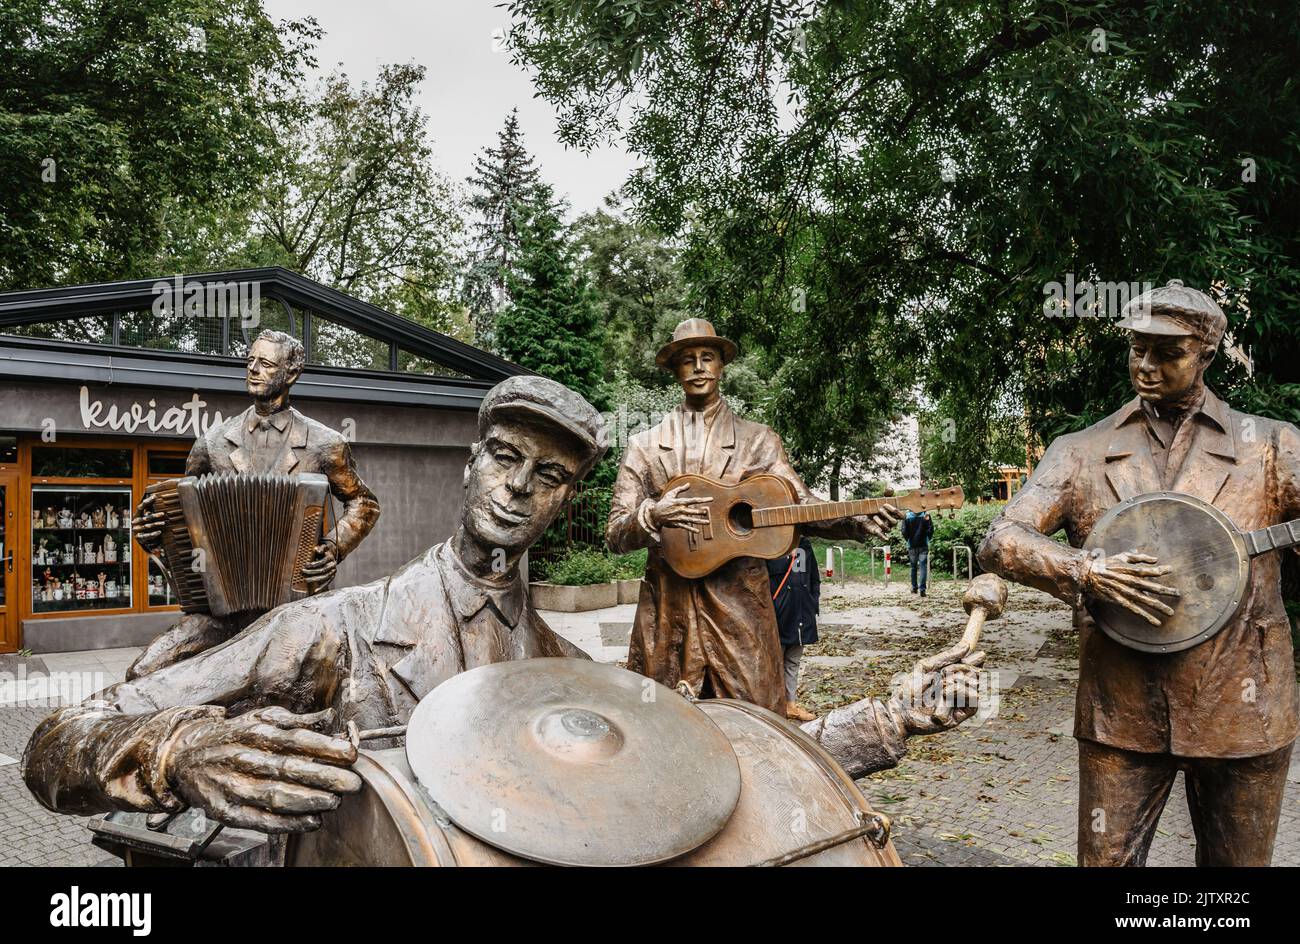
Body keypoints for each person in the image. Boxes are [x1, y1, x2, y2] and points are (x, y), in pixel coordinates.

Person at [24, 375, 984, 835]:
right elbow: (59, 743)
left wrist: (886, 715)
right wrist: (178, 747)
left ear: (569, 500)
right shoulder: (339, 628)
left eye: (552, 475)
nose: (521, 488)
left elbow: (712, 753)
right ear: (472, 461)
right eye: (507, 458)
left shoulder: (568, 663)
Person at [977, 280, 1300, 867]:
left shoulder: (1272, 447)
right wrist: (1083, 570)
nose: (1145, 366)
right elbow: (1001, 540)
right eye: (1136, 348)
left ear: (1204, 355)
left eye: (1167, 352)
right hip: (1120, 708)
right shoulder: (1080, 450)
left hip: (1243, 706)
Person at [607, 318, 900, 713]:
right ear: (674, 369)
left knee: (759, 721)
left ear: (721, 366)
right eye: (687, 359)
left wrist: (853, 519)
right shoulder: (643, 446)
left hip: (740, 611)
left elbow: (798, 505)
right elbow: (615, 533)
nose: (697, 367)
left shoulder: (756, 439)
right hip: (667, 613)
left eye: (707, 357)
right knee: (664, 725)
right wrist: (652, 515)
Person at [127, 330, 380, 679]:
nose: (253, 369)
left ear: (290, 374)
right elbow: (178, 516)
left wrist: (333, 548)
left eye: (265, 363)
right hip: (221, 610)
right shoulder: (212, 444)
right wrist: (151, 535)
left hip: (295, 609)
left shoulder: (325, 443)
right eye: (250, 361)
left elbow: (364, 504)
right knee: (143, 672)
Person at [766, 537, 820, 722]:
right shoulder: (768, 544)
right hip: (778, 615)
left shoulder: (803, 544)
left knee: (793, 662)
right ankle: (774, 704)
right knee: (774, 662)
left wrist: (813, 604)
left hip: (802, 613)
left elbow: (813, 577)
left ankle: (791, 704)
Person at [902, 507, 934, 596]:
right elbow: (930, 529)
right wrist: (928, 539)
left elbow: (904, 531)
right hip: (923, 544)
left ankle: (914, 587)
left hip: (912, 545)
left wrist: (908, 539)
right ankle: (922, 590)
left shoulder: (907, 516)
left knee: (913, 567)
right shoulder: (926, 515)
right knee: (923, 567)